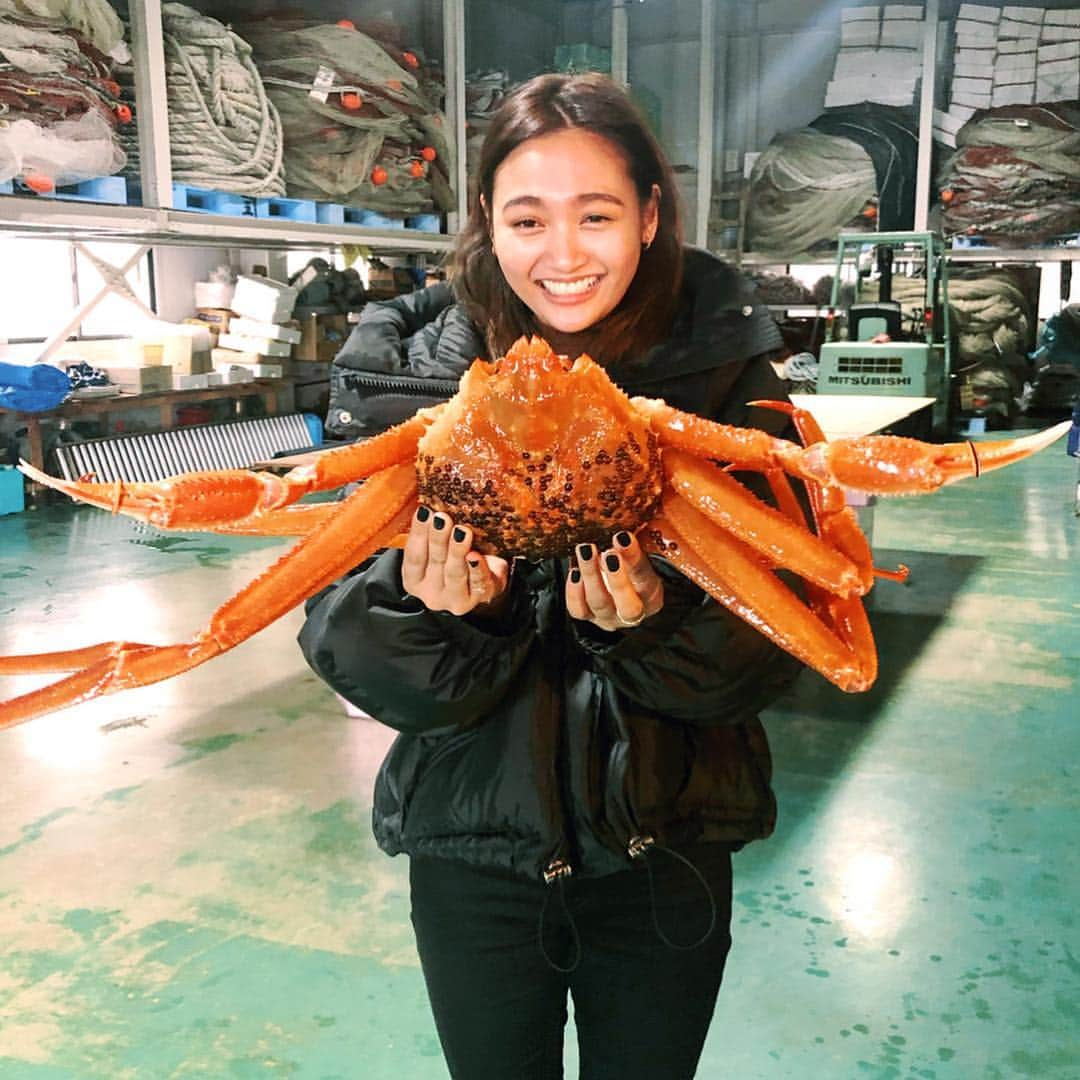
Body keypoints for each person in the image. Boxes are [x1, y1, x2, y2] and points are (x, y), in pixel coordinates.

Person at [300, 72, 802, 1080]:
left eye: (598, 215)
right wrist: (436, 619)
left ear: (651, 216)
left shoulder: (726, 378)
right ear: (487, 216)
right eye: (528, 218)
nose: (563, 254)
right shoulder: (402, 373)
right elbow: (338, 632)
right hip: (472, 859)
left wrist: (651, 629)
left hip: (667, 842)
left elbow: (784, 642)